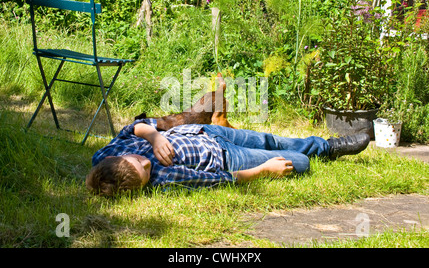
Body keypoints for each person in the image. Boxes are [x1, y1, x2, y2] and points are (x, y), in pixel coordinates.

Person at [86, 117, 370, 196]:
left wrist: (154, 136)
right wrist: (263, 171)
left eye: (138, 161)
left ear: (121, 158)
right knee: (299, 163)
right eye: (145, 172)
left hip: (201, 130)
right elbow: (218, 181)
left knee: (269, 139)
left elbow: (131, 127)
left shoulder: (106, 153)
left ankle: (330, 146)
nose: (147, 163)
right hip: (226, 156)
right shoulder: (166, 179)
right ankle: (314, 153)